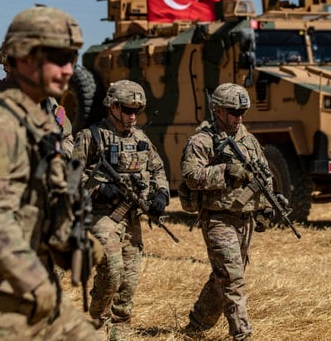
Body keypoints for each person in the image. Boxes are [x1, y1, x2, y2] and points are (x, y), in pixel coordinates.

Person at [0, 5, 101, 340]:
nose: (69, 69)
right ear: (21, 58)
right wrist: (36, 283)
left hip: (31, 280)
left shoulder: (40, 119)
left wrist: (73, 243)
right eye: (57, 57)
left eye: (72, 58)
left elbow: (42, 196)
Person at [72, 79, 170, 340]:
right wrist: (97, 188)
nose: (132, 117)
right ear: (113, 107)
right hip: (102, 215)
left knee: (128, 280)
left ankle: (120, 331)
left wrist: (161, 194)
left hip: (132, 217)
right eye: (127, 110)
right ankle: (97, 320)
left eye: (137, 111)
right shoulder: (91, 136)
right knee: (112, 269)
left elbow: (158, 169)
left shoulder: (141, 139)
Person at [181, 83, 273, 341]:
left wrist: (267, 205)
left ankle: (196, 327)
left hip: (245, 220)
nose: (239, 117)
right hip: (218, 218)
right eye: (233, 111)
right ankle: (242, 335)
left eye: (243, 111)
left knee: (224, 276)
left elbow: (263, 175)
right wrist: (225, 172)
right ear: (218, 111)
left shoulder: (249, 140)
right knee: (233, 280)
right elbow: (190, 176)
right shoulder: (202, 141)